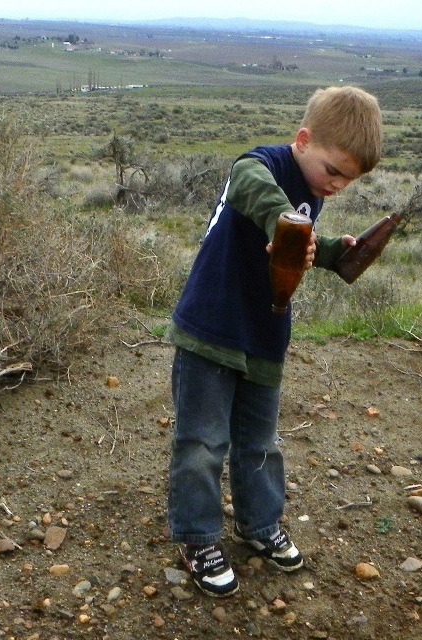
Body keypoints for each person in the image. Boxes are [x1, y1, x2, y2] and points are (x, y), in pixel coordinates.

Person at [166, 86, 383, 597]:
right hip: (211, 325)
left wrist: (331, 253)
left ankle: (259, 524)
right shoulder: (262, 166)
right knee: (201, 442)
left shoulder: (314, 187)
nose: (338, 186)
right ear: (303, 140)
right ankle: (198, 536)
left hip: (265, 331)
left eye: (349, 180)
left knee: (260, 441)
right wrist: (282, 222)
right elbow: (250, 185)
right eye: (334, 171)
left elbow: (296, 245)